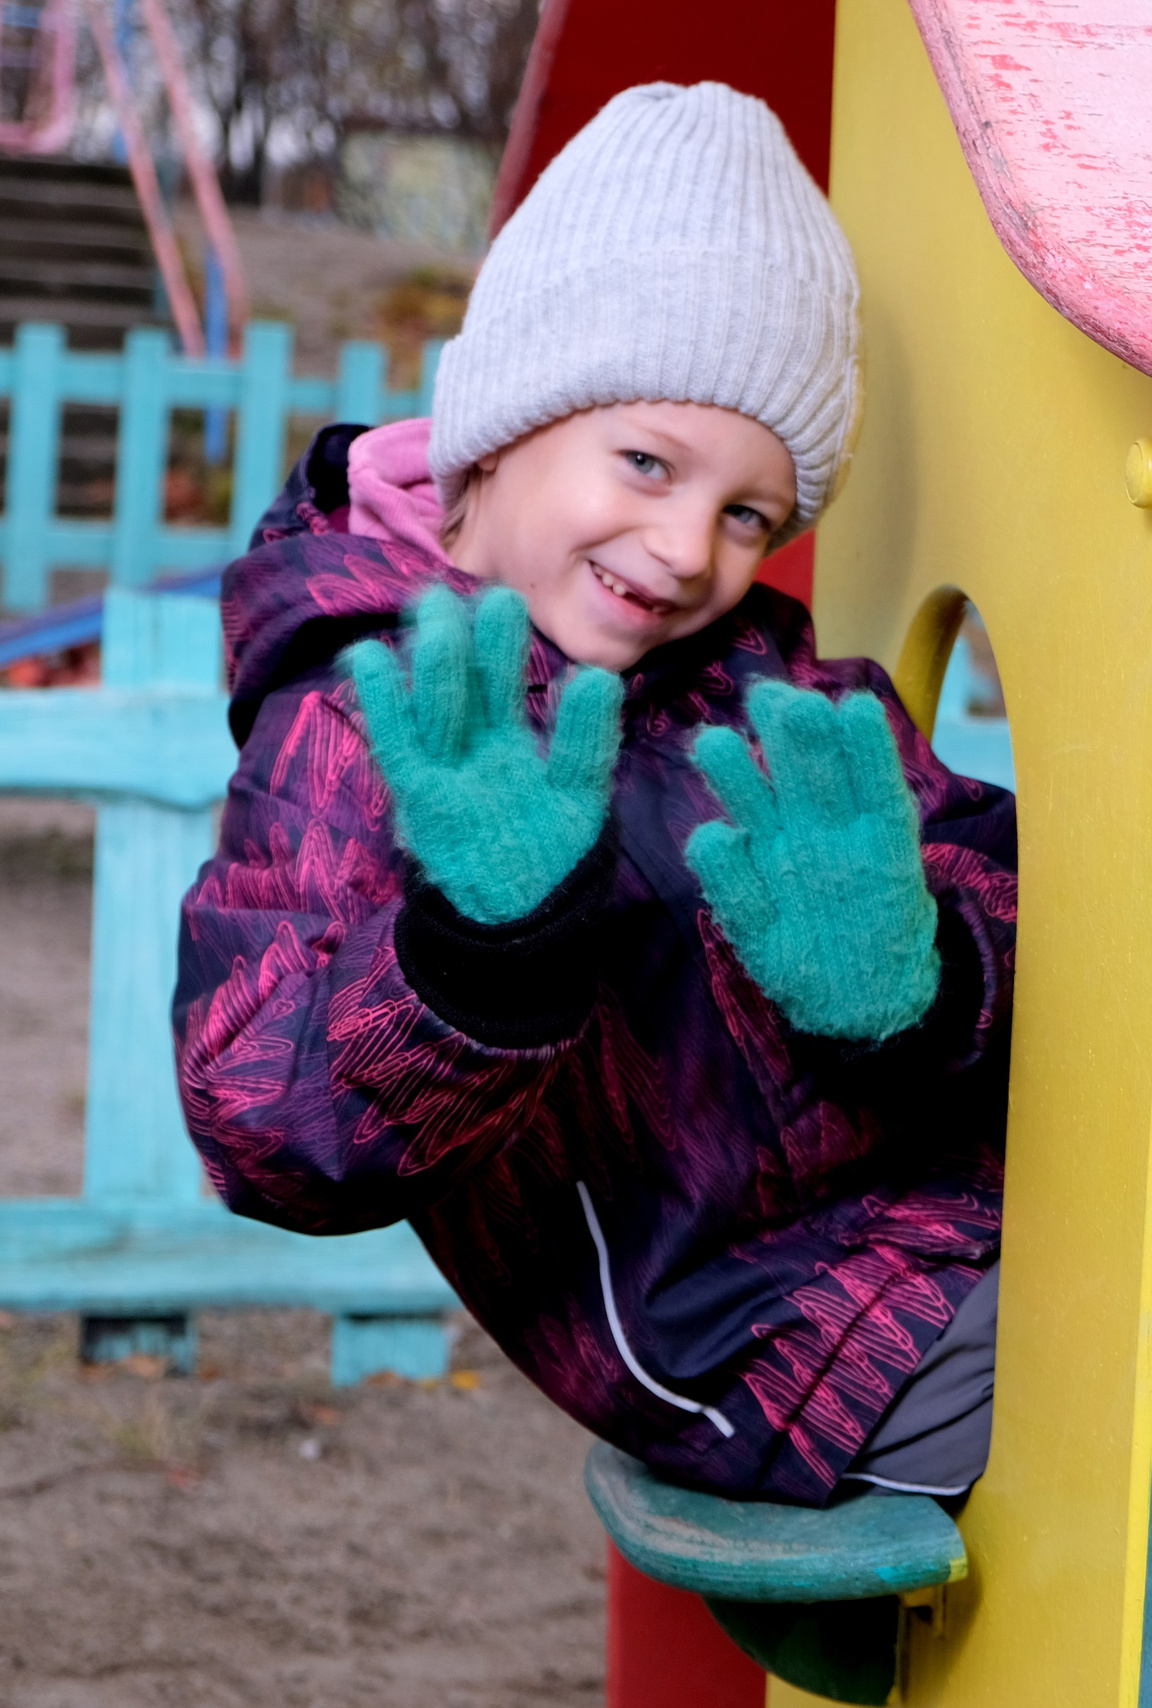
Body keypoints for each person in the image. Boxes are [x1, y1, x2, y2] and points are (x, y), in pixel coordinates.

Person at [173, 83, 1011, 1506]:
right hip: (783, 1350)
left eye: (750, 512)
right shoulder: (367, 716)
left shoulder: (769, 684)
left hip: (986, 1236)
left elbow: (1000, 886)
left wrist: (925, 986)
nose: (690, 549)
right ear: (504, 424)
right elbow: (260, 1124)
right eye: (646, 463)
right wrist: (473, 956)